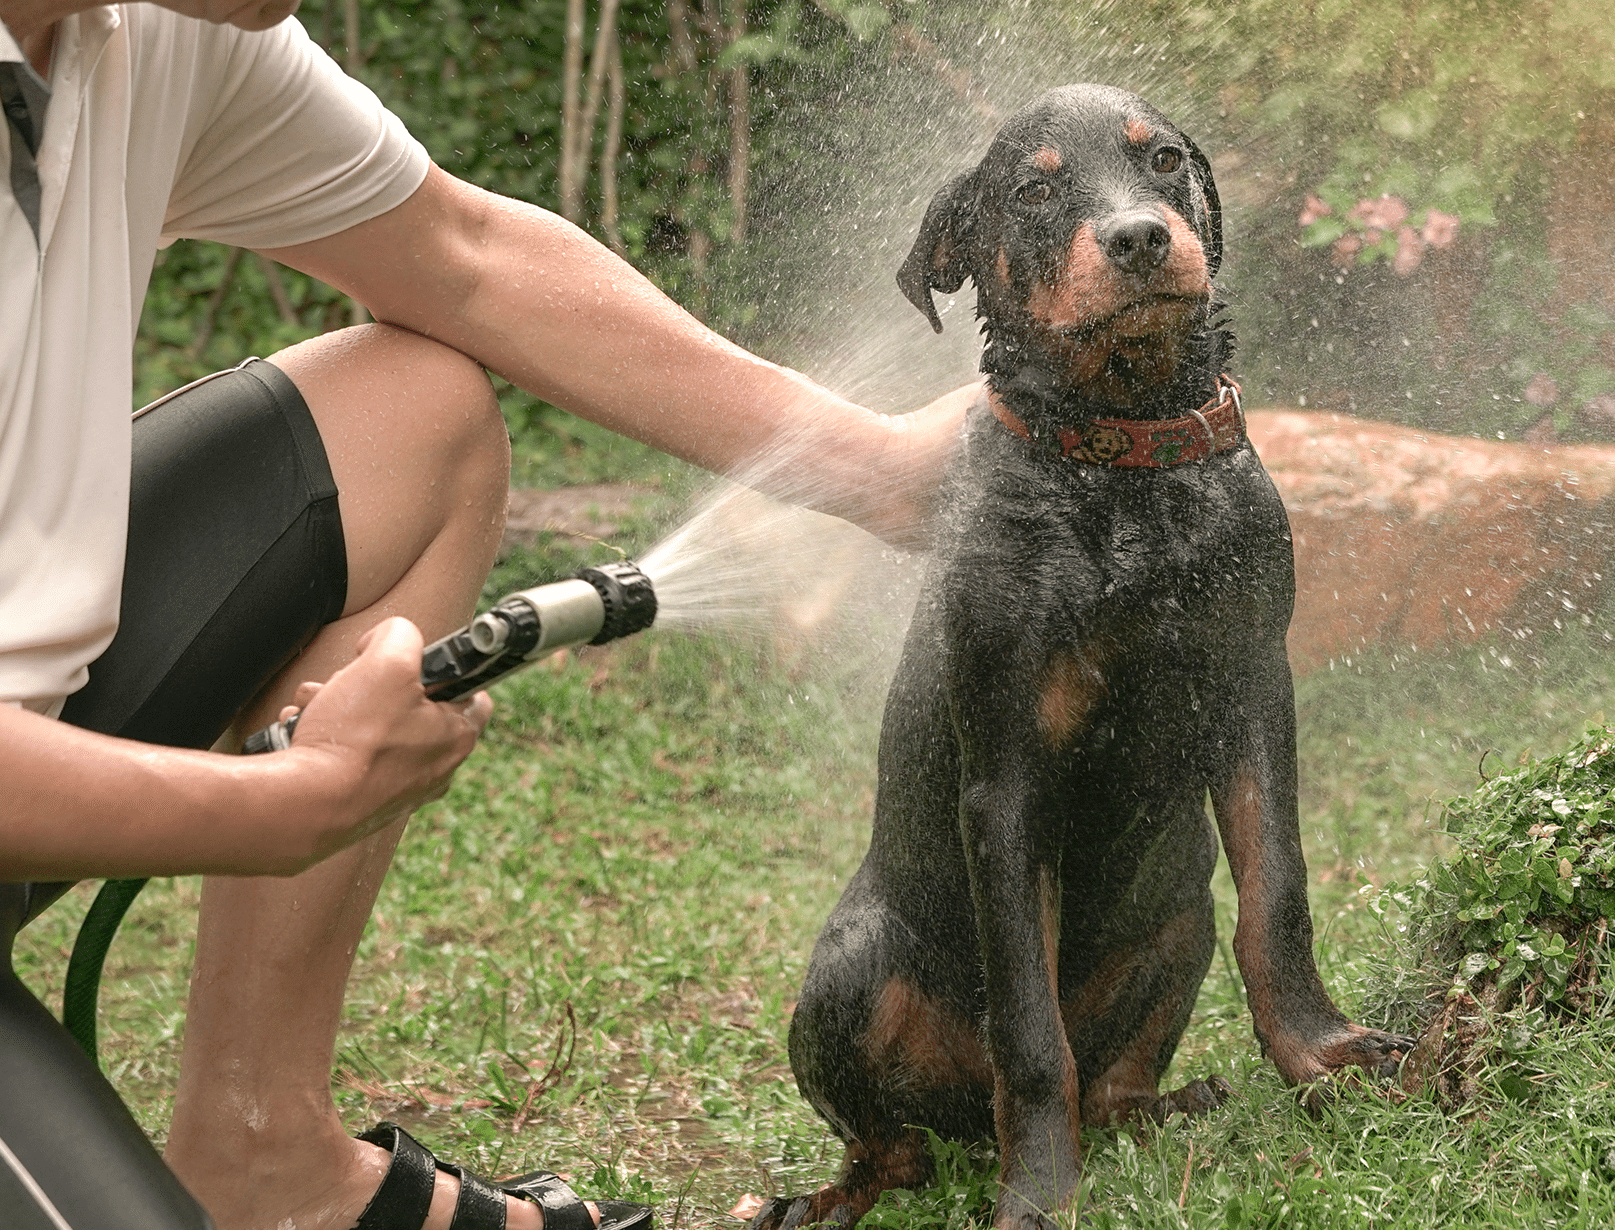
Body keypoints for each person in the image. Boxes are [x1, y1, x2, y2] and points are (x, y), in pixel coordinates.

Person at [0, 2, 969, 1228]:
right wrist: (283, 803)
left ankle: (263, 1153)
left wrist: (877, 473)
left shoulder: (146, 29)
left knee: (413, 420)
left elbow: (463, 254)